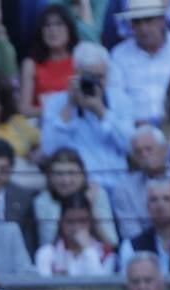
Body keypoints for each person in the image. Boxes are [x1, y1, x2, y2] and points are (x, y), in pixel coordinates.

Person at [39, 41, 135, 196]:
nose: (95, 83)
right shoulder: (56, 103)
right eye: (90, 77)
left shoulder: (121, 100)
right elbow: (49, 150)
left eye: (100, 77)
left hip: (117, 185)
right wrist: (69, 105)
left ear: (108, 74)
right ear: (76, 73)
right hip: (75, 187)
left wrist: (101, 110)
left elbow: (130, 146)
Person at [108, 0, 170, 126]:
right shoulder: (119, 54)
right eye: (137, 22)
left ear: (162, 21)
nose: (143, 28)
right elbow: (116, 102)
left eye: (148, 20)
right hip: (136, 132)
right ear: (131, 25)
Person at [33, 147, 119, 248]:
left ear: (83, 175)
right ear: (50, 177)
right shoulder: (43, 200)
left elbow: (112, 242)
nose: (66, 180)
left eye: (71, 173)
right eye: (59, 174)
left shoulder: (97, 194)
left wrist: (90, 208)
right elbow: (47, 245)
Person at [35, 192, 119, 275]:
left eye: (82, 221)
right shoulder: (46, 253)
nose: (76, 228)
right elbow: (47, 288)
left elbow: (102, 286)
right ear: (61, 223)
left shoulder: (106, 253)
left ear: (91, 222)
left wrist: (88, 250)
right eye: (70, 222)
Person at [19, 3, 77, 118]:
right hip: (42, 125)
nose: (52, 30)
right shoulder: (31, 64)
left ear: (69, 29)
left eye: (59, 24)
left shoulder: (79, 60)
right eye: (47, 25)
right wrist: (54, 113)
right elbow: (24, 109)